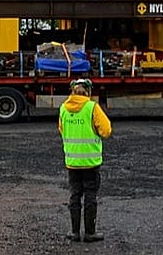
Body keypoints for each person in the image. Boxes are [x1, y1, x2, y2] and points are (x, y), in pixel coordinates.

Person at [59, 78, 112, 243]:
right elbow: (106, 130)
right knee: (90, 195)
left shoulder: (63, 109)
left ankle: (74, 232)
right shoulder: (92, 108)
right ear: (88, 92)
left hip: (72, 161)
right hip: (90, 161)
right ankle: (90, 233)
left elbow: (61, 129)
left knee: (75, 194)